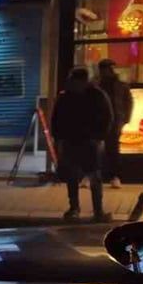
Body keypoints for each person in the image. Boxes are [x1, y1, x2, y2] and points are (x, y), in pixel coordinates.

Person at [52, 66, 114, 223]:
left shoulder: (97, 95)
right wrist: (59, 138)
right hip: (72, 141)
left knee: (94, 176)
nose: (75, 85)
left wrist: (99, 136)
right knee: (72, 176)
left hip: (90, 141)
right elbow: (57, 119)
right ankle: (74, 208)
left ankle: (98, 210)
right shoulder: (66, 96)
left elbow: (107, 117)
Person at [96, 58, 133, 188]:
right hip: (99, 121)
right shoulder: (96, 85)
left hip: (114, 121)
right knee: (96, 150)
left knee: (113, 150)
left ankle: (114, 176)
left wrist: (124, 120)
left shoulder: (120, 86)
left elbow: (128, 103)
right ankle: (93, 175)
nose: (106, 71)